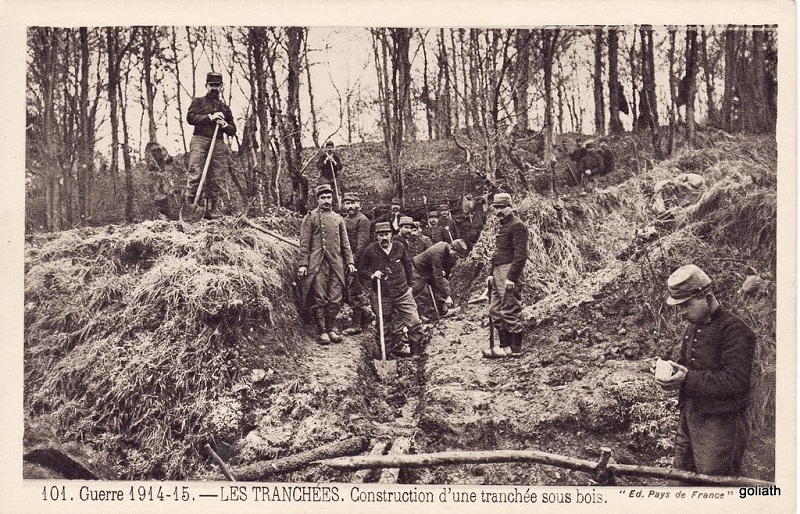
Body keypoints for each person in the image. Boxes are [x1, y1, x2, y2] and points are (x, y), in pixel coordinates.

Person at [655, 264, 755, 476]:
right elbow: (686, 364)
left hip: (720, 424)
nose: (681, 312)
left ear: (707, 297)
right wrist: (672, 373)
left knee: (713, 485)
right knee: (681, 480)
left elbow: (736, 381)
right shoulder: (694, 325)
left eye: (686, 305)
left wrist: (687, 378)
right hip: (690, 416)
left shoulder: (735, 330)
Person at [297, 184, 356, 345]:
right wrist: (303, 264)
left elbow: (346, 244)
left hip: (336, 264)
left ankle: (331, 328)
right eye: (323, 197)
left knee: (335, 298)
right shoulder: (311, 217)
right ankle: (322, 331)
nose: (326, 201)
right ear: (317, 199)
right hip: (317, 264)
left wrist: (349, 261)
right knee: (320, 297)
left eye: (329, 197)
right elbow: (304, 243)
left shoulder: (338, 219)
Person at [359, 222, 425, 358]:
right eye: (380, 235)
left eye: (386, 234)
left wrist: (410, 286)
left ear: (391, 235)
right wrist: (372, 275)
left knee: (414, 322)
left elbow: (408, 265)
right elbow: (362, 270)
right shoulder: (370, 250)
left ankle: (416, 352)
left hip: (402, 292)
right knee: (383, 326)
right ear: (376, 236)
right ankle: (387, 354)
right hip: (382, 295)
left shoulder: (399, 247)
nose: (384, 238)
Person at [482, 193, 529, 358]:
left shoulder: (518, 225)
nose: (499, 211)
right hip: (497, 272)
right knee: (494, 310)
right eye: (496, 207)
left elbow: (521, 255)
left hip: (509, 272)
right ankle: (503, 346)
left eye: (502, 207)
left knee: (509, 310)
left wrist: (511, 277)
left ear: (510, 207)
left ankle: (515, 348)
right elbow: (497, 253)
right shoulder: (502, 225)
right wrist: (490, 273)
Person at [186, 72, 237, 219]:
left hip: (218, 143)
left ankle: (211, 209)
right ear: (206, 86)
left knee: (215, 176)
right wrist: (210, 117)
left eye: (217, 85)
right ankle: (191, 207)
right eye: (211, 85)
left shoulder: (225, 108)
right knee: (195, 172)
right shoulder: (198, 102)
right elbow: (190, 118)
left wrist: (225, 124)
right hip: (200, 140)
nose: (214, 88)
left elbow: (233, 130)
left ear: (221, 87)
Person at [341, 192, 375, 335]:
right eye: (347, 203)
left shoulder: (363, 220)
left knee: (355, 292)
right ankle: (367, 316)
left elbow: (362, 244)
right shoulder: (343, 220)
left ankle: (357, 325)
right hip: (345, 259)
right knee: (345, 291)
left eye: (353, 203)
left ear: (359, 204)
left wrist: (352, 263)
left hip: (358, 261)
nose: (350, 206)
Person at [412, 239, 469, 319]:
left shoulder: (445, 246)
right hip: (416, 269)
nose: (455, 258)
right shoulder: (438, 253)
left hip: (428, 269)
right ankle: (422, 316)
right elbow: (438, 277)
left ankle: (443, 311)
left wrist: (441, 270)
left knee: (438, 286)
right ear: (451, 249)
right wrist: (447, 296)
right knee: (421, 292)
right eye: (456, 255)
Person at [317, 141, 343, 207]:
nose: (330, 149)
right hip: (325, 177)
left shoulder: (336, 157)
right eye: (328, 147)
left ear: (333, 148)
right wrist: (326, 160)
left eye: (331, 147)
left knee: (336, 191)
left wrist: (334, 161)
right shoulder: (322, 157)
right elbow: (319, 166)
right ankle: (324, 205)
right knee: (325, 191)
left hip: (334, 177)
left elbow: (340, 167)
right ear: (326, 148)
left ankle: (337, 206)